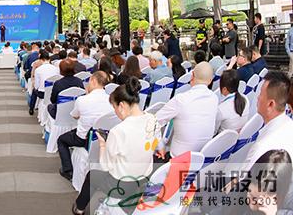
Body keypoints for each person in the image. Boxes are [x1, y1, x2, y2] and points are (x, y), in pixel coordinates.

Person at [71, 77, 161, 215]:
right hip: (144, 178)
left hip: (122, 185)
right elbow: (155, 144)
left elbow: (106, 166)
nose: (115, 113)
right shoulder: (153, 119)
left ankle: (79, 208)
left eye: (114, 108)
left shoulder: (119, 131)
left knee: (92, 175)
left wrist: (103, 145)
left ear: (121, 106)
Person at [241, 71, 293, 209]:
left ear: (270, 104)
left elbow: (243, 186)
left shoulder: (263, 148)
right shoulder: (289, 124)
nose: (258, 98)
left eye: (260, 94)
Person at [155, 62, 219, 159]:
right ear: (210, 80)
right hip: (202, 158)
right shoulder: (214, 98)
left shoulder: (181, 99)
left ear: (192, 75)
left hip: (177, 159)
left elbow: (153, 122)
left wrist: (160, 146)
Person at [57, 71, 111, 181]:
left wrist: (86, 95)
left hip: (83, 138)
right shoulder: (111, 99)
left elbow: (75, 116)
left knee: (61, 140)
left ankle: (68, 170)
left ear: (94, 81)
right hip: (106, 137)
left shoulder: (82, 100)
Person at [215, 69, 249, 134]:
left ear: (224, 89)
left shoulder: (221, 109)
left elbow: (214, 131)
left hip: (223, 139)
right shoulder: (245, 99)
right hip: (239, 136)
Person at [29, 50, 59, 115]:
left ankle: (31, 108)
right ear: (49, 59)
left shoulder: (38, 70)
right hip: (53, 92)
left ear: (41, 60)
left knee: (34, 91)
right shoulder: (56, 69)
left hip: (42, 93)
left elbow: (36, 86)